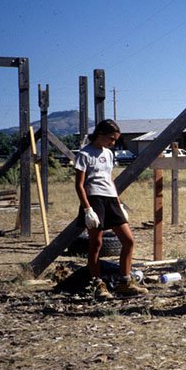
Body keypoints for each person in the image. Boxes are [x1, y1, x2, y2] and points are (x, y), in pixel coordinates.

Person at [74, 119, 147, 300]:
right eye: (111, 139)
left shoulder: (108, 153)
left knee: (128, 240)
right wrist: (87, 209)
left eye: (115, 140)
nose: (113, 143)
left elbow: (109, 179)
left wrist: (119, 203)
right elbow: (79, 185)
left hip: (110, 199)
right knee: (96, 244)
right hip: (94, 199)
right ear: (100, 135)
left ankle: (125, 282)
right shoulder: (85, 154)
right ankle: (98, 284)